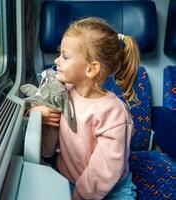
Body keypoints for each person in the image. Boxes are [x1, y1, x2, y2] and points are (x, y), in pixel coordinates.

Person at [30, 17, 138, 199]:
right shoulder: (64, 91)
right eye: (59, 53)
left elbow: (102, 172)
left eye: (65, 56)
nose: (56, 60)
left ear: (91, 69)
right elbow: (39, 101)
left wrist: (77, 197)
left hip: (111, 189)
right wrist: (36, 113)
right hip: (69, 179)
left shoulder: (114, 115)